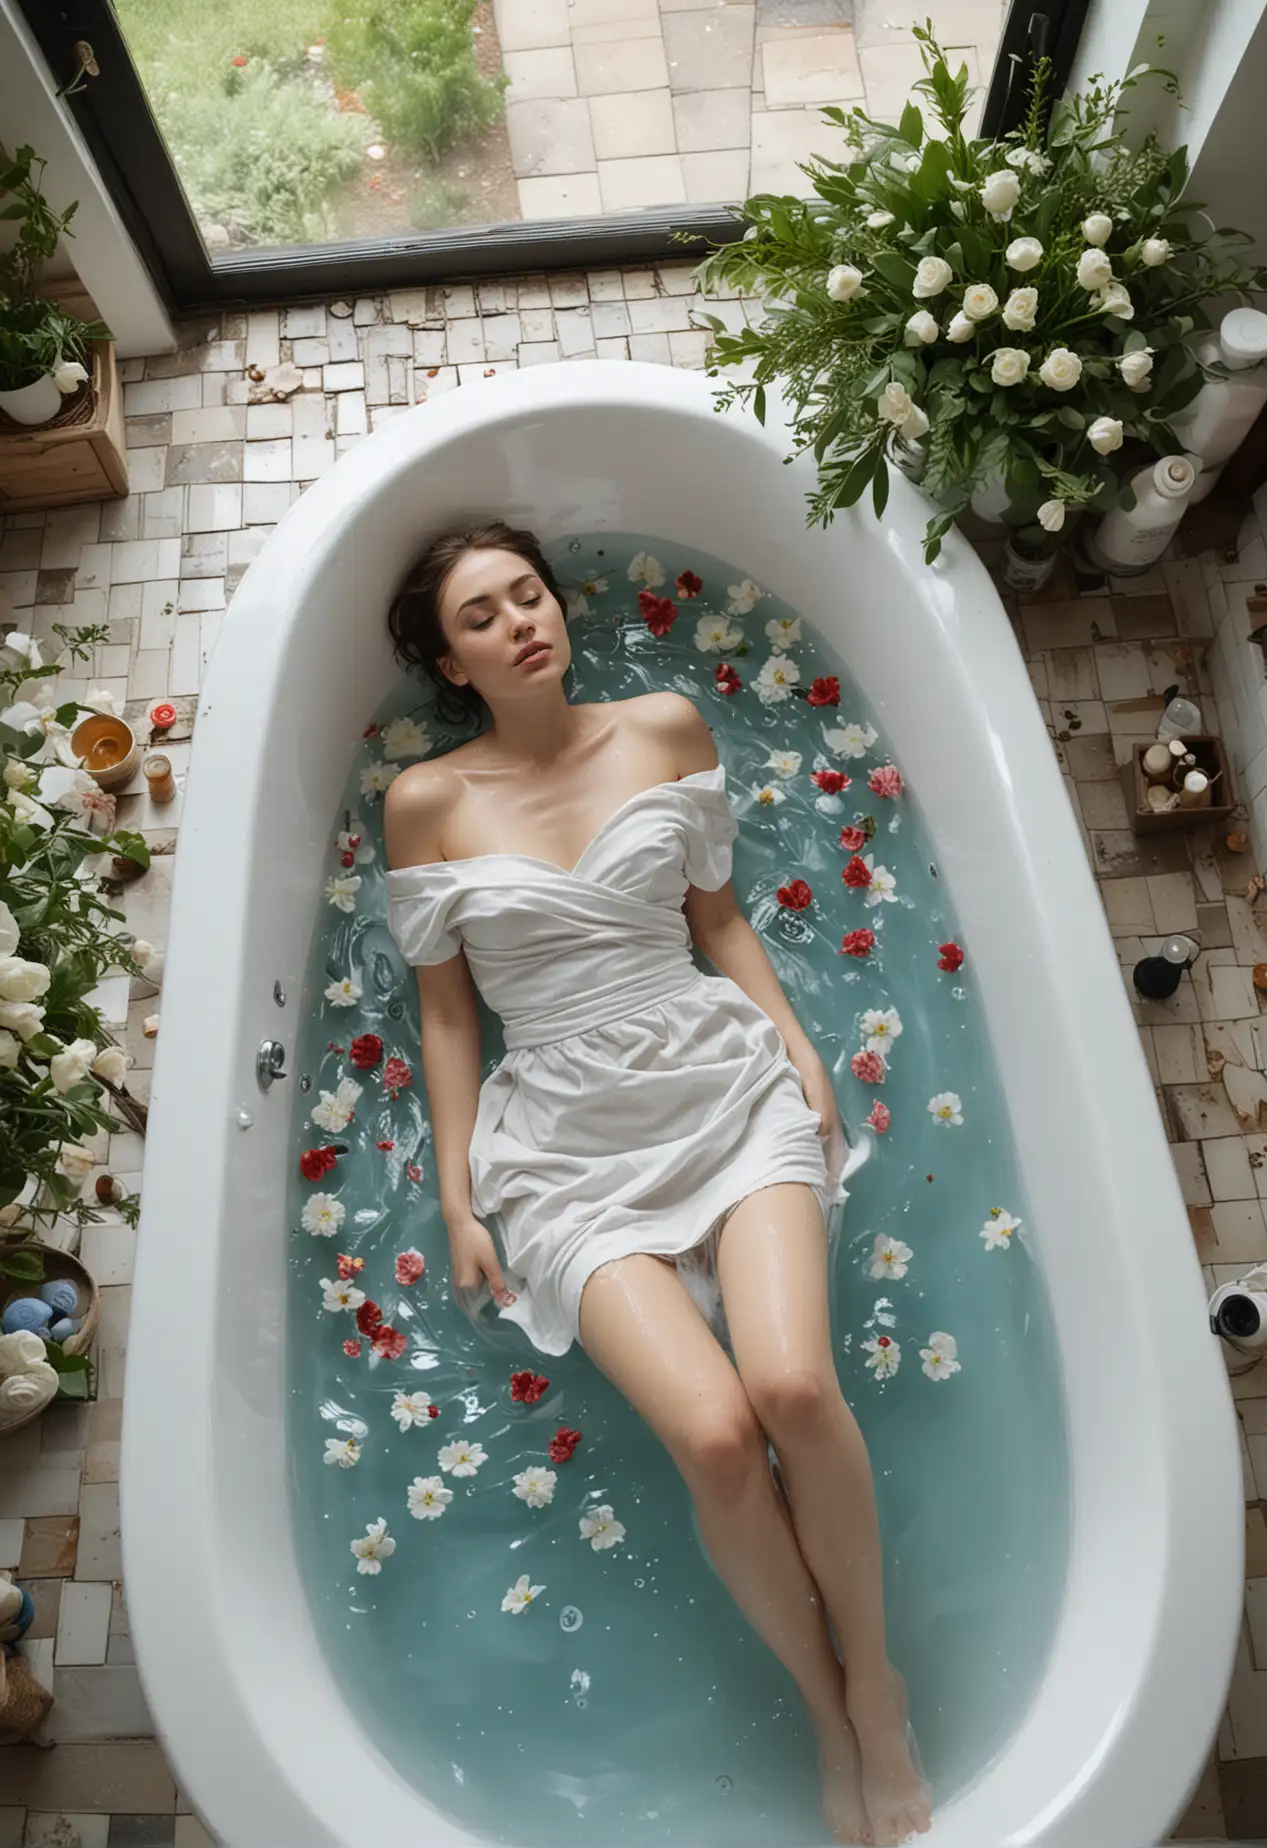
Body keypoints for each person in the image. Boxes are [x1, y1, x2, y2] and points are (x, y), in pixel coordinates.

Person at [382, 523, 933, 1847]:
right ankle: (820, 1705)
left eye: (529, 594)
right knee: (716, 1441)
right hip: (564, 1149)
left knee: (796, 1390)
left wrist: (798, 1048)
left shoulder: (664, 727)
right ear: (450, 663)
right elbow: (449, 1018)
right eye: (480, 616)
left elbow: (719, 919)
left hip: (721, 1090)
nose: (522, 621)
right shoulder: (426, 804)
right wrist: (460, 1198)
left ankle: (878, 1693)